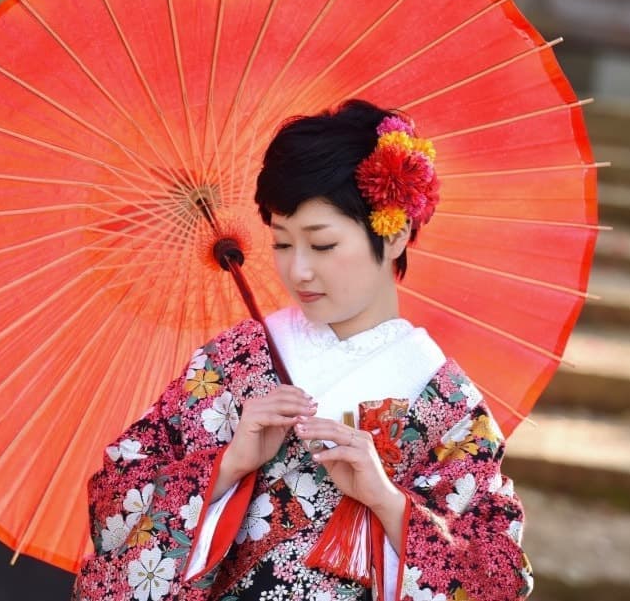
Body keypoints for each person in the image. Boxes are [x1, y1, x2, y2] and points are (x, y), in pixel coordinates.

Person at [72, 100, 533, 601]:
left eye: (322, 244)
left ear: (395, 234)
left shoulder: (447, 406)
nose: (299, 272)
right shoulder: (235, 363)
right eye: (282, 244)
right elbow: (117, 501)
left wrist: (386, 501)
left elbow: (497, 578)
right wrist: (228, 465)